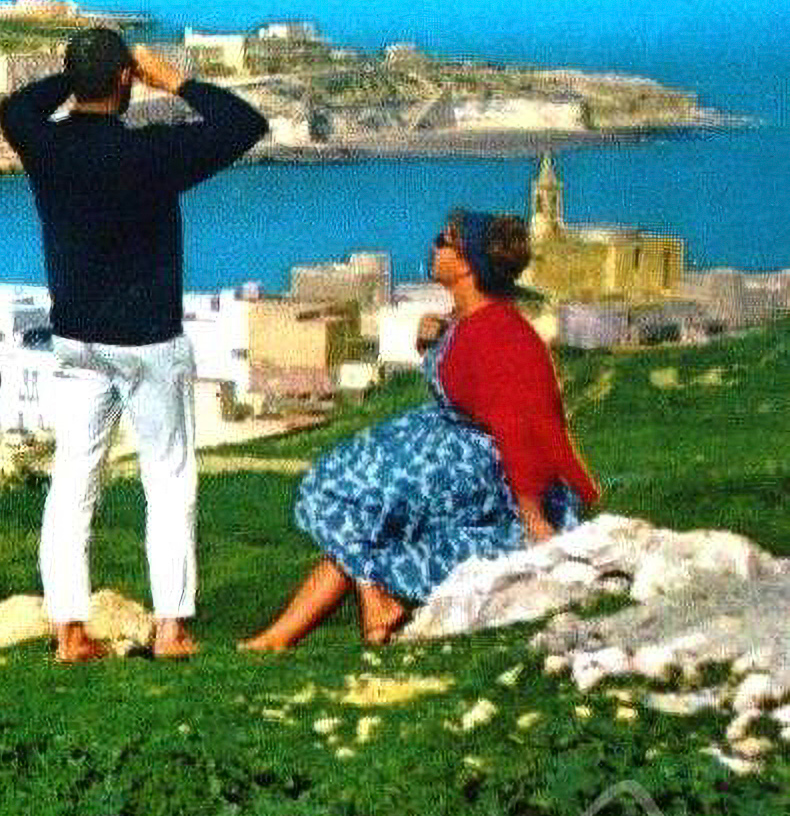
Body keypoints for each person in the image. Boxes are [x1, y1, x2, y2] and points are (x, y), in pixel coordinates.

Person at [0, 28, 268, 662]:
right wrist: (169, 79)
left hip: (77, 340)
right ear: (125, 79)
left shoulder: (47, 146)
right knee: (168, 480)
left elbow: (14, 108)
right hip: (148, 340)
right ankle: (172, 626)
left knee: (72, 483)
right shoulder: (151, 153)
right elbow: (244, 122)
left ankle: (70, 630)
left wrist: (82, 75)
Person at [242, 210, 601, 651]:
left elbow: (519, 425)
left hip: (485, 466)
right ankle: (292, 633)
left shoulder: (502, 335)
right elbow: (466, 371)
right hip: (451, 442)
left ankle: (361, 606)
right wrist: (435, 338)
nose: (432, 247)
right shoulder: (467, 321)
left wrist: (532, 517)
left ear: (467, 262)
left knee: (346, 493)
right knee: (361, 514)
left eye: (443, 241)